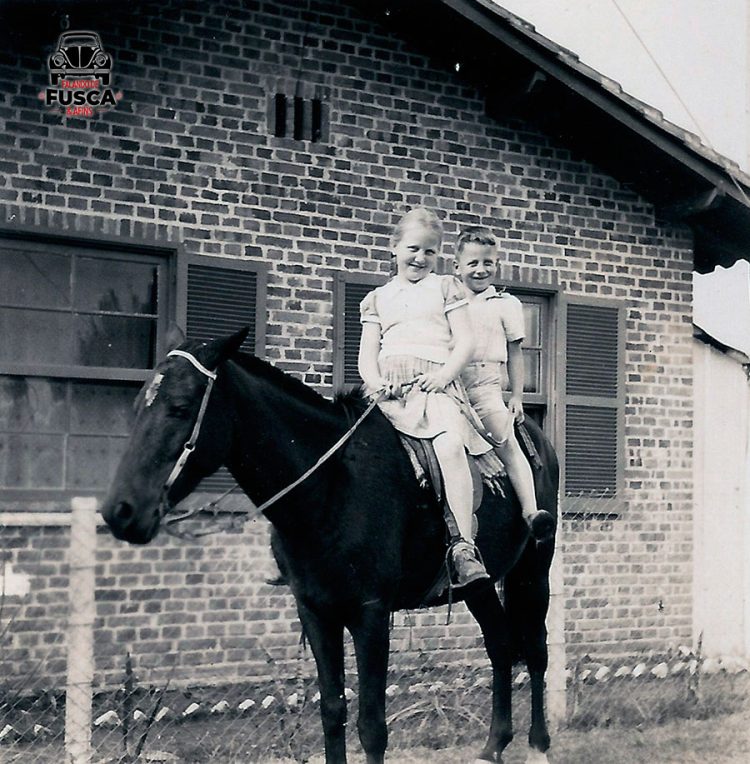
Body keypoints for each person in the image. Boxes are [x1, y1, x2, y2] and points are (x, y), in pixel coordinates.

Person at [358, 208, 492, 588]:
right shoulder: (378, 298)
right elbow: (367, 356)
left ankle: (463, 545)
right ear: (394, 247)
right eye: (413, 249)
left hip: (434, 386)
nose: (420, 258)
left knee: (449, 445)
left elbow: (465, 342)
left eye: (430, 252)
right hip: (388, 393)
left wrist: (443, 376)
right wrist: (377, 383)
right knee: (351, 450)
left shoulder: (445, 287)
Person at [453, 226, 555, 543]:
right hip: (454, 387)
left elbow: (515, 353)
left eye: (488, 263)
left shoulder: (504, 304)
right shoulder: (448, 299)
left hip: (485, 388)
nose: (480, 270)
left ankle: (530, 511)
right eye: (472, 263)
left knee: (506, 441)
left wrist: (517, 396)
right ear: (457, 266)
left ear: (496, 264)